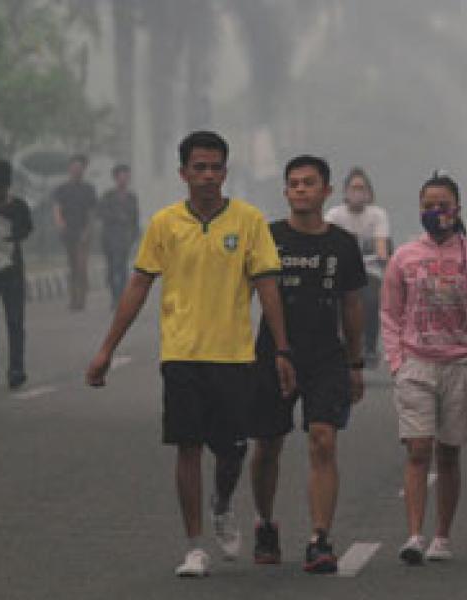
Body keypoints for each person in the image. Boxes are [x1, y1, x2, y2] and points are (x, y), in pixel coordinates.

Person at [85, 131, 296, 578]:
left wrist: (282, 349)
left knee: (233, 450)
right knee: (187, 446)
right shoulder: (165, 223)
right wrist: (106, 349)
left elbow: (268, 287)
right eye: (198, 167)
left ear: (225, 171)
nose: (207, 175)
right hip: (181, 354)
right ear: (183, 173)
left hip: (235, 356)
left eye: (215, 167)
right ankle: (195, 545)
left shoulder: (248, 221)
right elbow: (139, 285)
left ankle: (223, 502)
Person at [246, 156, 367, 574]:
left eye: (309, 183)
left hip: (325, 356)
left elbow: (351, 305)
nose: (300, 189)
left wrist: (355, 363)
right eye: (293, 183)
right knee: (267, 445)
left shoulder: (343, 244)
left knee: (323, 440)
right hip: (272, 354)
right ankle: (265, 523)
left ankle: (319, 538)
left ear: (326, 191)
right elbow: (243, 295)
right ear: (285, 191)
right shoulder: (266, 237)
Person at [382, 174, 467, 565]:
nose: (436, 213)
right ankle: (415, 535)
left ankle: (442, 536)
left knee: (449, 453)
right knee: (419, 449)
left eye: (444, 205)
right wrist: (396, 361)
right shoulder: (403, 256)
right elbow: (389, 311)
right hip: (416, 363)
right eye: (428, 206)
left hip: (461, 363)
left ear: (457, 209)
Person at [326, 167, 389, 368]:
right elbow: (327, 244)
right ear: (345, 192)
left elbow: (382, 248)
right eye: (353, 188)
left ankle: (370, 345)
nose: (357, 192)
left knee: (371, 298)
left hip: (368, 270)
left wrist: (381, 257)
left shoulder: (377, 215)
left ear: (369, 192)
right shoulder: (334, 215)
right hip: (340, 270)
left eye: (361, 188)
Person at [0, 160, 32, 389]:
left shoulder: (19, 208)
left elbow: (26, 231)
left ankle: (16, 369)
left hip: (13, 274)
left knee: (15, 322)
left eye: (0, 188)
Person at [52, 154, 97, 311]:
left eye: (80, 168)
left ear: (83, 170)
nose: (77, 170)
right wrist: (60, 223)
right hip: (68, 232)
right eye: (74, 167)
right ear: (69, 169)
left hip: (84, 232)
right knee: (72, 267)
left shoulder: (88, 189)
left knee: (81, 266)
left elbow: (91, 214)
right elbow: (57, 208)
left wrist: (87, 231)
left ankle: (81, 299)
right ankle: (73, 298)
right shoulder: (62, 189)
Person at [97, 164, 141, 309]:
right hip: (109, 237)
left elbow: (135, 218)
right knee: (111, 269)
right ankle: (114, 295)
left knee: (122, 268)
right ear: (116, 178)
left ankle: (121, 297)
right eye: (121, 176)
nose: (124, 179)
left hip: (124, 239)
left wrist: (135, 236)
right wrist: (117, 217)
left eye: (126, 176)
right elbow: (101, 214)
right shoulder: (108, 196)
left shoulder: (131, 197)